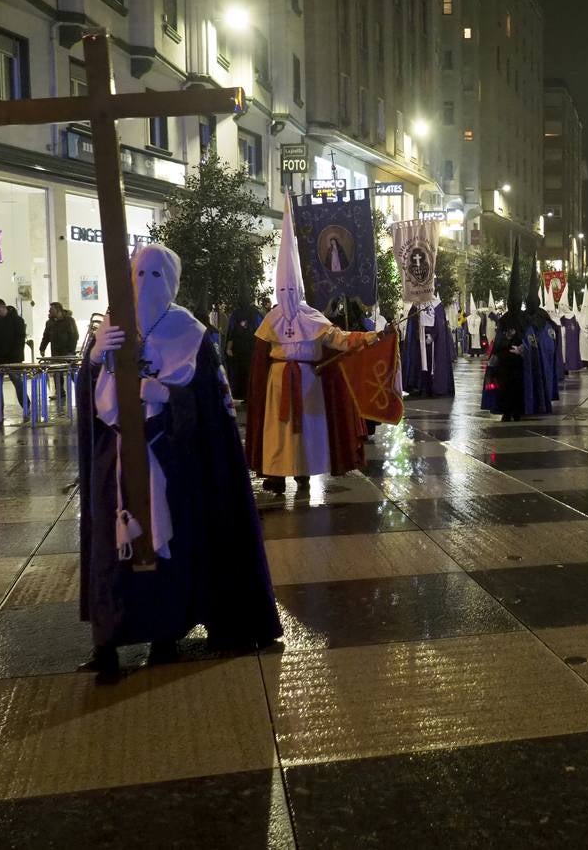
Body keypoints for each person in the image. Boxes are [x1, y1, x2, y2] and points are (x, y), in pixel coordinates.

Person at [80, 243, 282, 682]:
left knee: (166, 551)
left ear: (172, 281)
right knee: (113, 550)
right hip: (113, 462)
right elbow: (90, 403)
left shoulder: (192, 333)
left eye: (156, 275)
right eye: (138, 273)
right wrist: (93, 359)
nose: (144, 283)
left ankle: (164, 635)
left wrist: (170, 396)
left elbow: (214, 408)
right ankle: (108, 642)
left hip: (170, 462)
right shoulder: (112, 326)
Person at [245, 203, 378, 496]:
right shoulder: (271, 319)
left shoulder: (313, 317)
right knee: (277, 432)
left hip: (309, 381)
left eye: (293, 290)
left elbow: (339, 340)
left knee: (307, 430)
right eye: (284, 290)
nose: (288, 296)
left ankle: (304, 471)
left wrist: (369, 338)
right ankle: (277, 474)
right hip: (278, 383)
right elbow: (259, 360)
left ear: (301, 291)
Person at [0, 297, 27, 415]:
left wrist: (14, 356)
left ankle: (27, 407)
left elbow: (19, 340)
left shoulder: (17, 320)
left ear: (3, 307)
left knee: (18, 383)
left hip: (13, 359)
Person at [39, 302, 80, 406]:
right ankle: (60, 392)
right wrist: (42, 348)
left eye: (51, 310)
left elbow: (74, 335)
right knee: (57, 373)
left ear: (58, 310)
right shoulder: (50, 323)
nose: (49, 312)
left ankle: (81, 389)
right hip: (56, 352)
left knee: (71, 372)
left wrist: (71, 350)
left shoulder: (69, 321)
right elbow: (46, 336)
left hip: (67, 352)